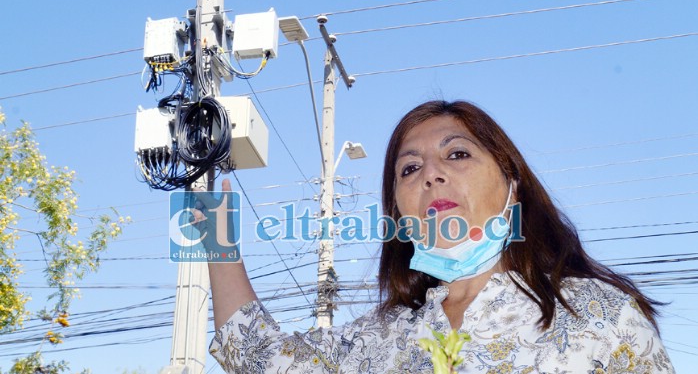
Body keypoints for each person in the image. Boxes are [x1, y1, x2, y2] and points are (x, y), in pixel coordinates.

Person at [205, 100, 675, 373]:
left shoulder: (601, 316)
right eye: (410, 168)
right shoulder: (379, 342)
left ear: (512, 185)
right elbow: (256, 356)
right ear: (400, 216)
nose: (431, 174)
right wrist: (216, 239)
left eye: (457, 155)